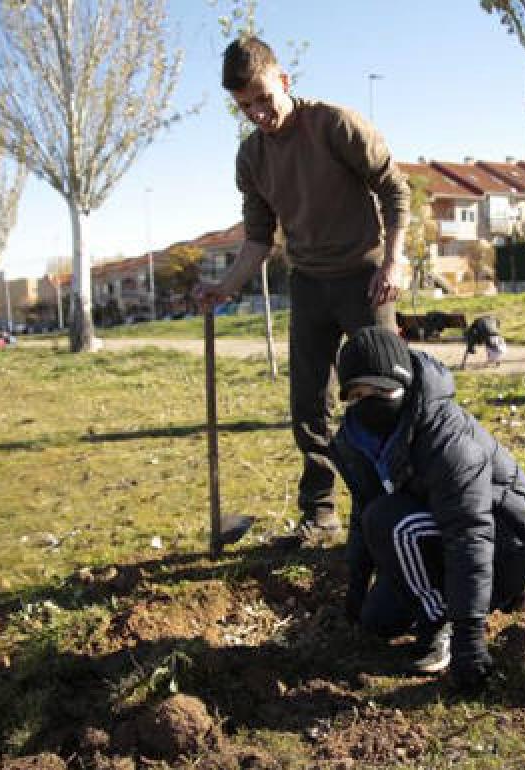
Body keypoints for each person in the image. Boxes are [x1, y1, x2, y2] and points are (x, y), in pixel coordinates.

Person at [196, 36, 410, 545]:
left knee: (383, 394)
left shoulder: (334, 125)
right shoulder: (251, 159)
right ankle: (320, 514)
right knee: (309, 406)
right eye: (245, 106)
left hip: (365, 277)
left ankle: (394, 506)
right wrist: (225, 287)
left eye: (264, 99)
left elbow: (394, 187)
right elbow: (256, 240)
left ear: (284, 81)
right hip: (309, 283)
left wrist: (396, 261)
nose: (258, 114)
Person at [331, 326, 525, 691]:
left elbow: (469, 531)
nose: (369, 402)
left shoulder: (445, 435)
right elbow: (361, 512)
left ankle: (443, 621)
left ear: (403, 384)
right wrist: (356, 587)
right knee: (378, 620)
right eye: (358, 394)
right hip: (430, 529)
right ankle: (455, 600)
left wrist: (469, 638)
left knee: (389, 521)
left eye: (380, 390)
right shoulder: (354, 442)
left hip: (508, 536)